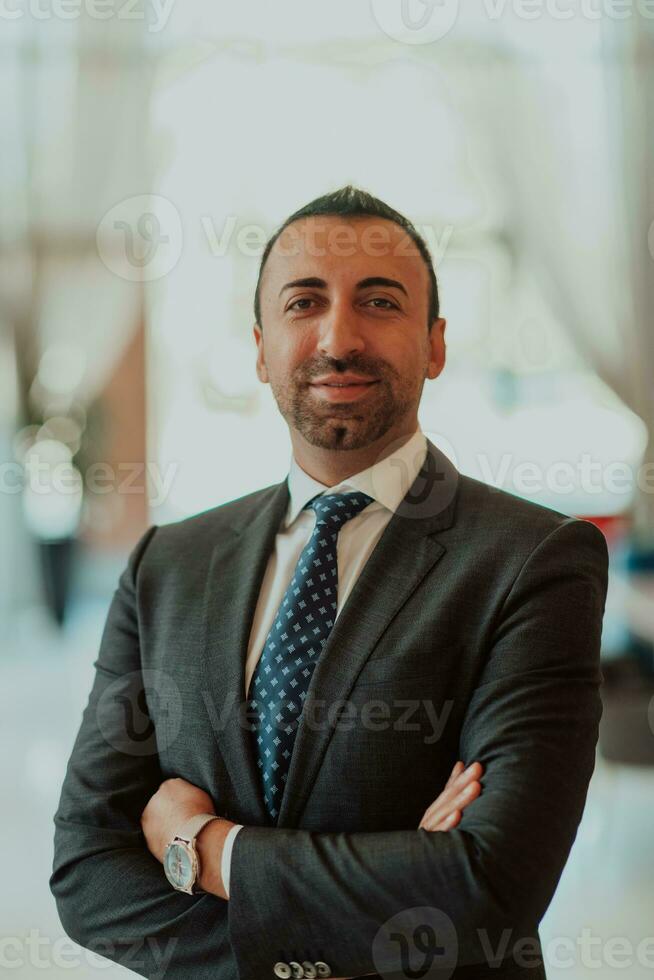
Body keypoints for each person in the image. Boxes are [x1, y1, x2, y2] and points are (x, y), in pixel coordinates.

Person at [50, 186, 609, 980]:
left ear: (435, 344)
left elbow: (490, 885)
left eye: (379, 303)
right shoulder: (168, 564)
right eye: (303, 302)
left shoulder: (535, 560)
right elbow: (86, 873)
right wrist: (368, 903)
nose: (338, 337)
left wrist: (204, 847)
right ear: (260, 346)